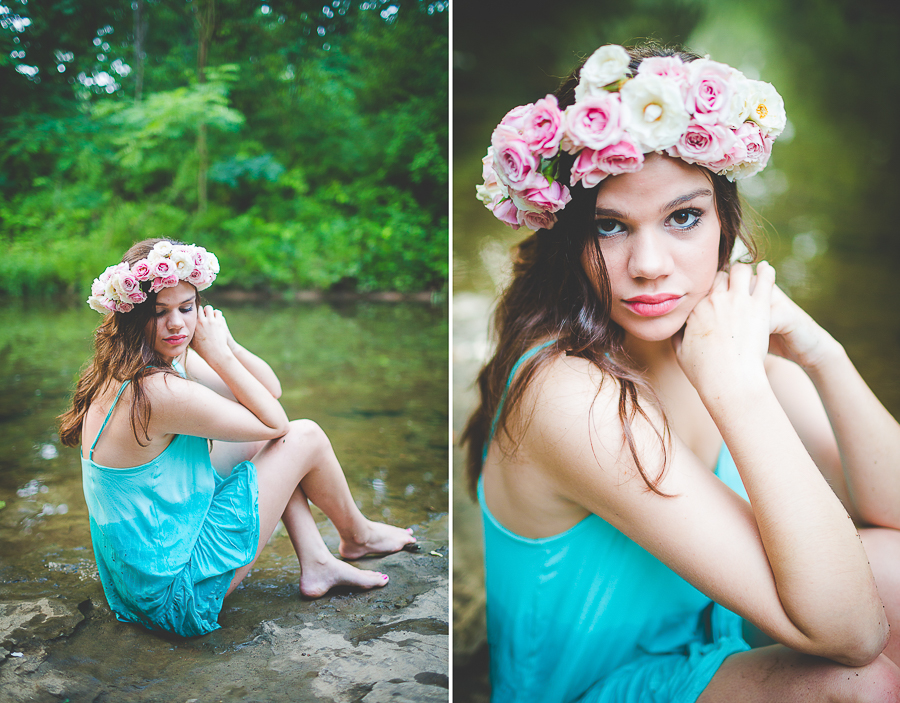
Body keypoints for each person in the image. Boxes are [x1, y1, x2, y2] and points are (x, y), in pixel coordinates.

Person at [463, 43, 900, 702]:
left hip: (707, 653)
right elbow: (853, 634)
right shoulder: (567, 394)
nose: (649, 264)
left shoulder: (715, 330)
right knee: (859, 683)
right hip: (589, 689)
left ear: (725, 221)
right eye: (609, 226)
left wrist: (820, 352)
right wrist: (739, 391)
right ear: (567, 237)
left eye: (684, 217)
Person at [59, 238, 416, 638]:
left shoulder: (128, 364)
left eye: (186, 308)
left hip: (136, 588)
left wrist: (223, 344)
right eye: (159, 312)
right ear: (132, 314)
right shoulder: (158, 391)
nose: (177, 323)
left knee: (259, 445)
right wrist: (222, 357)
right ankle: (358, 537)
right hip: (176, 595)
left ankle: (317, 560)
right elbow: (275, 423)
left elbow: (271, 390)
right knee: (304, 435)